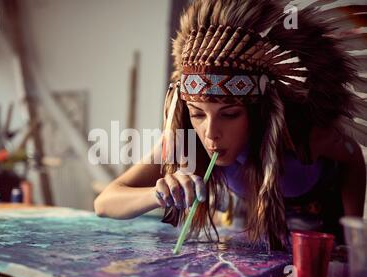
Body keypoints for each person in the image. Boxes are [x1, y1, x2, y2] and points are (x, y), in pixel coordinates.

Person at [94, 0, 367, 250]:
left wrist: (352, 232)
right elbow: (105, 202)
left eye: (230, 114)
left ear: (257, 111)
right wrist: (158, 194)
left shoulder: (300, 133)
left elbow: (352, 157)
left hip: (319, 244)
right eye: (198, 114)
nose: (210, 133)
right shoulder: (184, 142)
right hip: (253, 238)